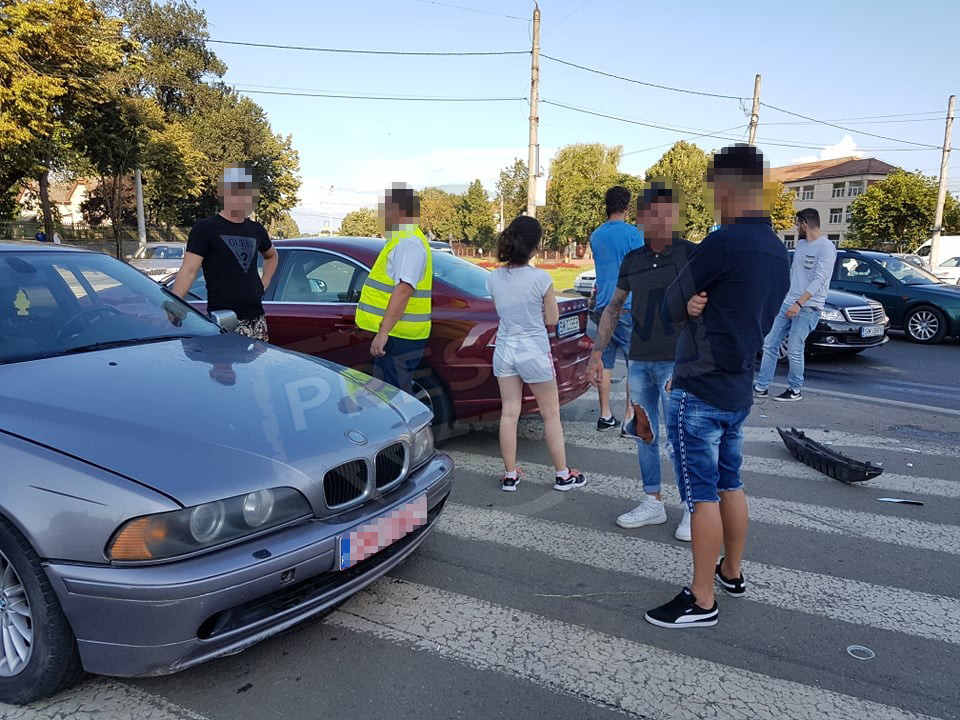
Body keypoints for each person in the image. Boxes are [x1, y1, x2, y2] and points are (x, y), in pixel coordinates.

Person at [645, 144, 789, 629]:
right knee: (731, 481)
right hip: (738, 388)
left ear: (729, 188)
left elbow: (669, 303)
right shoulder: (776, 248)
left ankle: (701, 599)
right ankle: (732, 571)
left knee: (700, 494)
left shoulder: (723, 243)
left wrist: (687, 307)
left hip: (699, 389)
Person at [588, 182, 695, 540]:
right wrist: (596, 353)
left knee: (681, 437)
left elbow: (711, 310)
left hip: (676, 363)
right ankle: (653, 501)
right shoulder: (634, 258)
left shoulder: (690, 255)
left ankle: (693, 509)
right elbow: (615, 307)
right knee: (644, 433)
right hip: (641, 360)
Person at [487, 216, 586, 492]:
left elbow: (500, 311)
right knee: (550, 414)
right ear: (535, 246)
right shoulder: (541, 278)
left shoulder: (493, 277)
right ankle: (562, 474)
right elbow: (551, 319)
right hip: (533, 351)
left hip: (505, 349)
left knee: (509, 413)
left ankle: (510, 475)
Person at [172, 164, 278, 342]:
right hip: (223, 319)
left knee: (256, 370)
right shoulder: (205, 228)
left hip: (256, 319)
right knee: (223, 369)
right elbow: (188, 271)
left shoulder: (256, 230)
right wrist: (174, 306)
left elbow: (272, 255)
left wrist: (265, 281)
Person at [355, 184, 433, 395]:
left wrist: (383, 332)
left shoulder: (409, 242)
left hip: (398, 337)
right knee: (391, 396)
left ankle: (406, 429)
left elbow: (404, 290)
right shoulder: (403, 240)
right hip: (398, 335)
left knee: (392, 398)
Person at [754, 209, 837, 402]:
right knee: (770, 343)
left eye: (797, 223)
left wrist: (799, 303)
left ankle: (794, 389)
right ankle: (761, 386)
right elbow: (794, 276)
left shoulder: (826, 247)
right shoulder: (801, 245)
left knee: (794, 347)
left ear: (805, 224)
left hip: (809, 306)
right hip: (788, 302)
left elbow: (819, 280)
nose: (796, 227)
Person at [589, 186, 644, 432]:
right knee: (634, 363)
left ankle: (605, 415)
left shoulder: (596, 235)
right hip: (627, 306)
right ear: (626, 207)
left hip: (602, 307)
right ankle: (629, 418)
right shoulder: (634, 235)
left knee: (606, 362)